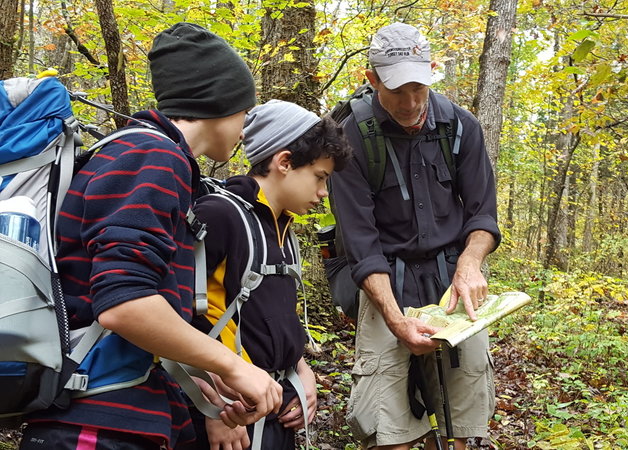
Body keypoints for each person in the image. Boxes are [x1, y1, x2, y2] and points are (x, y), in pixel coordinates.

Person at [20, 23, 283, 450]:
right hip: (96, 425)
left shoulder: (151, 156)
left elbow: (137, 317)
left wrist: (207, 376)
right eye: (243, 110)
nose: (246, 125)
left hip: (116, 416)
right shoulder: (154, 156)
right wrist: (235, 367)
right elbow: (124, 306)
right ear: (215, 101)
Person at [329, 22, 501, 450]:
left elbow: (483, 216)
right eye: (396, 90)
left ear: (433, 71)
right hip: (384, 282)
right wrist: (394, 318)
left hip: (450, 285)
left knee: (465, 425)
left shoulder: (461, 127)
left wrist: (469, 263)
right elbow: (360, 244)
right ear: (371, 80)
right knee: (388, 430)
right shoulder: (349, 136)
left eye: (418, 89)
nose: (410, 104)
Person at [190, 100, 351, 449]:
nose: (323, 193)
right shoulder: (219, 215)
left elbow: (271, 319)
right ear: (284, 162)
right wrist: (211, 406)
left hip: (275, 407)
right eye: (320, 178)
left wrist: (302, 373)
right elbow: (178, 317)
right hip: (229, 415)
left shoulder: (285, 230)